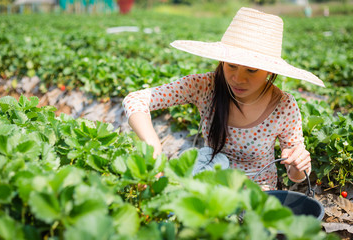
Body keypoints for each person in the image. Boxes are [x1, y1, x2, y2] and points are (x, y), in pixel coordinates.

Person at [122, 7, 325, 190]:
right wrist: (154, 148)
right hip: (209, 187)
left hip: (257, 197)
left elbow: (295, 177)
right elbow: (135, 99)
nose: (237, 78)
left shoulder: (283, 106)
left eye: (251, 70)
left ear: (270, 71)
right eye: (231, 65)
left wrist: (299, 165)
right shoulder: (204, 86)